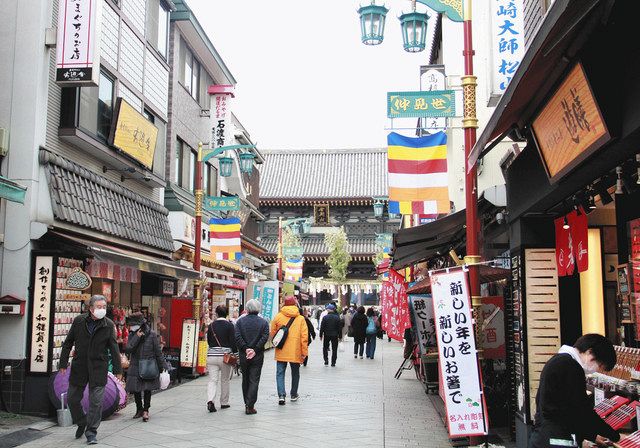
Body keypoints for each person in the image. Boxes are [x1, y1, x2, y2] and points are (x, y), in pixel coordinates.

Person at [528, 334, 620, 448]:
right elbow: (581, 410)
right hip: (557, 440)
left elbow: (567, 409)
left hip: (544, 436)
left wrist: (592, 436)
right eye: (599, 365)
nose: (597, 370)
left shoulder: (558, 361)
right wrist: (615, 436)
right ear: (590, 352)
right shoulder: (571, 367)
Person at [59, 295, 122, 445]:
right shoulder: (79, 321)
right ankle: (81, 421)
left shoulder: (108, 325)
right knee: (72, 399)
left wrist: (119, 370)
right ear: (91, 308)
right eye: (99, 307)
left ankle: (91, 432)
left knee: (96, 402)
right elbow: (68, 343)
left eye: (104, 307)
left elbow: (114, 348)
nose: (102, 310)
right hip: (80, 366)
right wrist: (62, 363)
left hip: (98, 368)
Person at [124, 312, 166, 422]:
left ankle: (146, 410)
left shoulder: (152, 334)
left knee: (147, 388)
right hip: (135, 364)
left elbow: (158, 352)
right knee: (136, 388)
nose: (132, 327)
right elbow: (128, 349)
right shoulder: (132, 334)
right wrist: (136, 337)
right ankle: (139, 409)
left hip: (148, 364)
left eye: (134, 324)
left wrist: (162, 366)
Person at [270, 296, 308, 405]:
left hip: (281, 349)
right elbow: (304, 337)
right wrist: (304, 352)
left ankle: (281, 395)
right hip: (295, 351)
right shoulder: (300, 318)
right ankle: (293, 394)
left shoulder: (278, 317)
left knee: (280, 373)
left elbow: (273, 333)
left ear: (284, 304)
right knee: (295, 373)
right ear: (295, 304)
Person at [234, 299, 270, 415]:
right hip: (257, 355)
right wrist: (255, 350)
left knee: (245, 379)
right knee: (254, 379)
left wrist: (245, 349)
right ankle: (250, 405)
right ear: (258, 309)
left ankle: (246, 403)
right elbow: (265, 337)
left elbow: (237, 336)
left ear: (247, 309)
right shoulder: (263, 322)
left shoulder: (240, 322)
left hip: (244, 355)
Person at [206, 305, 237, 413]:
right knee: (224, 380)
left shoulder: (211, 326)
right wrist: (236, 355)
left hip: (212, 356)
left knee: (212, 380)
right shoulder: (230, 326)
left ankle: (210, 400)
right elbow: (233, 342)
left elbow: (209, 341)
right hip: (225, 357)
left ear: (217, 314)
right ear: (227, 313)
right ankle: (224, 403)